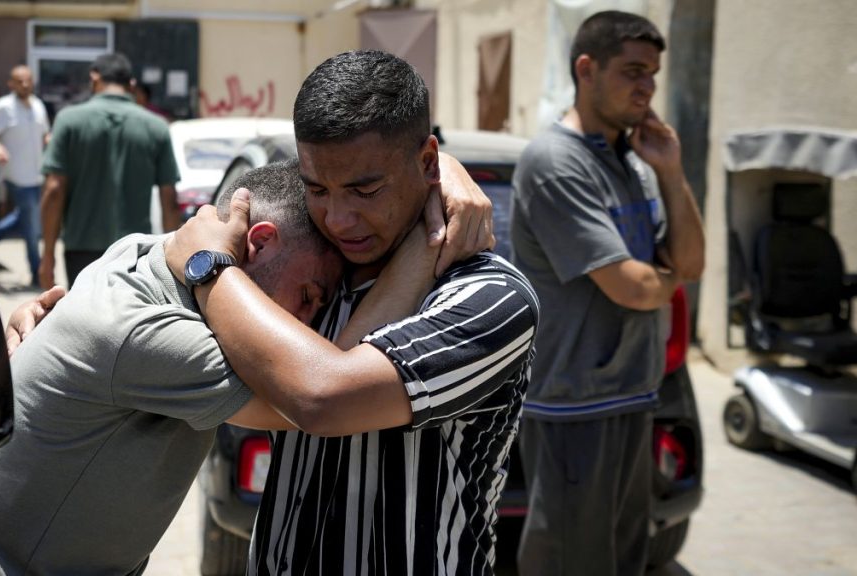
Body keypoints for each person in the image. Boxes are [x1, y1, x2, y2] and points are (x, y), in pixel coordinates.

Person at [162, 49, 539, 575]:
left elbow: (323, 400)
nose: (339, 218)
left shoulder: (490, 299)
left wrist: (210, 269)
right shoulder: (306, 273)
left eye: (366, 190)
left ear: (426, 161)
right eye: (317, 190)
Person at [0, 160, 378, 575]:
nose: (306, 322)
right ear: (259, 242)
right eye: (308, 294)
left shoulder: (138, 252)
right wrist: (428, 244)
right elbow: (325, 397)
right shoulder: (152, 336)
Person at [510, 11, 705, 576]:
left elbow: (688, 263)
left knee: (622, 561)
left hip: (633, 395)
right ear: (587, 69)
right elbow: (634, 288)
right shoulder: (555, 161)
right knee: (572, 563)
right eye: (633, 72)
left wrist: (670, 171)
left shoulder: (635, 161)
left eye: (653, 75)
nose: (646, 87)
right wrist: (658, 281)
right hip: (575, 407)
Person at [39, 52, 180, 289]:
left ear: (94, 79)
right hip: (135, 251)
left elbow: (54, 190)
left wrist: (48, 256)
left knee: (85, 319)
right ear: (132, 85)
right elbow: (170, 200)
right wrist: (172, 261)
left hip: (81, 250)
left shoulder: (68, 120)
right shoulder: (157, 127)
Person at [0, 65, 50, 283]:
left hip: (37, 176)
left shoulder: (38, 105)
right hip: (16, 176)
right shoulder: (2, 107)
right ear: (11, 84)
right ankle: (37, 272)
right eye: (20, 81)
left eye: (28, 80)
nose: (25, 84)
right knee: (32, 227)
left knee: (25, 219)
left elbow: (45, 134)